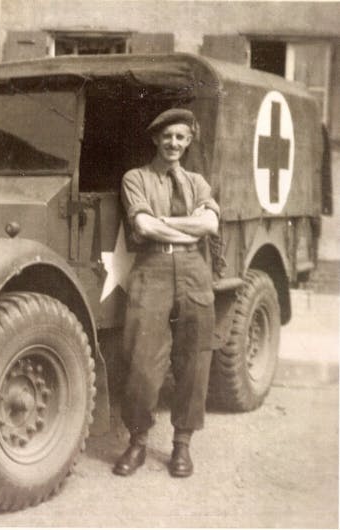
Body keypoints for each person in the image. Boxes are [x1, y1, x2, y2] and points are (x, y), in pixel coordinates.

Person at [113, 108, 219, 478]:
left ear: (188, 142)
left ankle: (182, 446)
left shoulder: (198, 183)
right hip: (153, 269)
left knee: (193, 360)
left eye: (181, 137)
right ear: (156, 139)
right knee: (143, 361)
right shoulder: (136, 178)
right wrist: (187, 228)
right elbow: (143, 225)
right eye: (167, 137)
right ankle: (138, 442)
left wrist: (166, 223)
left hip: (194, 270)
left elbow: (210, 223)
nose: (174, 143)